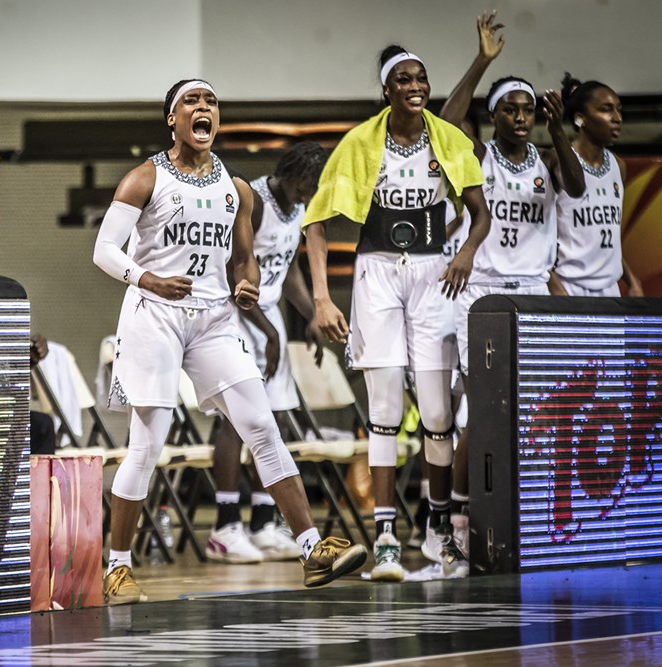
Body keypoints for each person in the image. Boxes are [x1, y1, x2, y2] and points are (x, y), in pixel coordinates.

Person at [93, 79, 367, 605]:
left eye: (211, 103)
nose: (203, 109)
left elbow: (246, 260)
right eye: (191, 103)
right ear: (171, 120)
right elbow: (104, 249)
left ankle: (312, 549)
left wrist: (248, 285)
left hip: (215, 318)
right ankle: (118, 568)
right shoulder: (143, 178)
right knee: (149, 443)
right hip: (155, 314)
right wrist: (146, 278)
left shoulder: (235, 189)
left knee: (262, 424)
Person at [303, 47, 491, 583]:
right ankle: (385, 537)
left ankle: (437, 536)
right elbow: (315, 224)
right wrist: (321, 297)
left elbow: (480, 214)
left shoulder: (449, 138)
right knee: (384, 401)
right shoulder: (360, 143)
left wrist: (466, 254)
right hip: (377, 270)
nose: (415, 85)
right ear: (386, 90)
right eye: (403, 79)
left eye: (422, 77)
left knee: (436, 411)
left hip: (434, 272)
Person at [437, 10, 587, 577]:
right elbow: (447, 125)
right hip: (480, 293)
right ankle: (455, 527)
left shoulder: (551, 159)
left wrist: (558, 130)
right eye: (511, 110)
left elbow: (575, 185)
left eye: (527, 109)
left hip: (534, 293)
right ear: (495, 116)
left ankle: (530, 516)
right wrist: (482, 62)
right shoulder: (481, 158)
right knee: (480, 408)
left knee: (538, 411)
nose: (520, 117)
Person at [206, 141, 329, 564]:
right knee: (235, 422)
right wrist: (268, 334)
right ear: (291, 172)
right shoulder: (254, 201)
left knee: (273, 418)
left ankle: (261, 523)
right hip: (237, 312)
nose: (308, 195)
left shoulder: (296, 209)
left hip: (268, 314)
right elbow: (231, 271)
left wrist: (312, 314)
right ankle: (225, 525)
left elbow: (288, 269)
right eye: (305, 186)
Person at [551, 72, 643, 297]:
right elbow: (537, 237)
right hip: (569, 287)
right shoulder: (557, 161)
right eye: (606, 109)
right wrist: (555, 288)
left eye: (618, 109)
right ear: (580, 118)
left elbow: (607, 238)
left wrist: (632, 280)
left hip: (609, 289)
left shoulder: (618, 166)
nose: (617, 117)